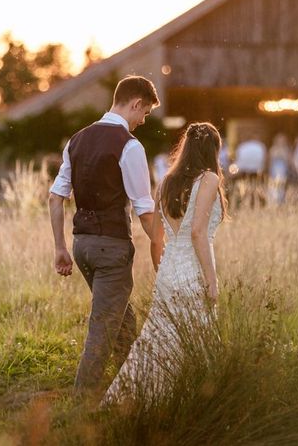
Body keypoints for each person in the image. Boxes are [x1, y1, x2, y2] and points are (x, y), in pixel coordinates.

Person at [47, 75, 160, 397]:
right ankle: (80, 406)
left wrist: (60, 248)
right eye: (145, 113)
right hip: (111, 249)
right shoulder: (130, 145)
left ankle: (134, 388)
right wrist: (163, 246)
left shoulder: (77, 139)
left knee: (122, 320)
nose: (142, 121)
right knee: (103, 328)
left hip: (81, 246)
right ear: (135, 103)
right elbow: (144, 208)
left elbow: (56, 197)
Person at [103, 122, 227, 404]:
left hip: (169, 269)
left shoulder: (166, 182)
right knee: (197, 339)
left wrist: (163, 268)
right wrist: (211, 278)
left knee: (158, 339)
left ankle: (137, 396)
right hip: (192, 268)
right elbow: (197, 232)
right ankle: (194, 400)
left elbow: (156, 238)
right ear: (212, 150)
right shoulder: (208, 179)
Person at [234, 132, 267, 208]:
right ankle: (260, 204)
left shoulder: (242, 147)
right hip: (257, 171)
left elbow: (238, 161)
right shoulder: (260, 146)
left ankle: (240, 204)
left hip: (244, 171)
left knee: (244, 189)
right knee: (257, 188)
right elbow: (264, 160)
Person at [268, 133, 291, 204]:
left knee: (281, 186)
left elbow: (288, 161)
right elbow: (270, 161)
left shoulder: (286, 150)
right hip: (274, 170)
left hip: (283, 170)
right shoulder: (273, 149)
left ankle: (280, 201)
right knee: (274, 186)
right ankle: (273, 201)